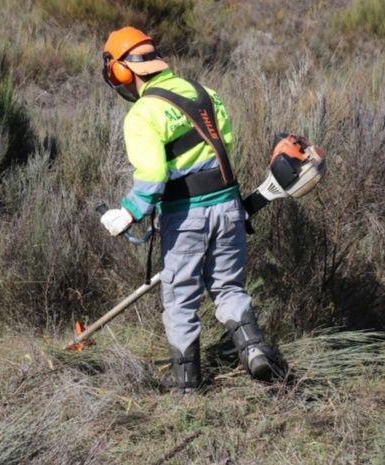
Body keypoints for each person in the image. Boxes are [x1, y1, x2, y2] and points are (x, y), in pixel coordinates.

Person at [99, 26, 285, 393]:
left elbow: (152, 175)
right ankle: (253, 349)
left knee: (180, 297)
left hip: (187, 216)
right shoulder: (206, 94)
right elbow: (225, 144)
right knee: (229, 286)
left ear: (121, 71)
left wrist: (127, 213)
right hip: (229, 205)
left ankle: (186, 383)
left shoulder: (143, 113)